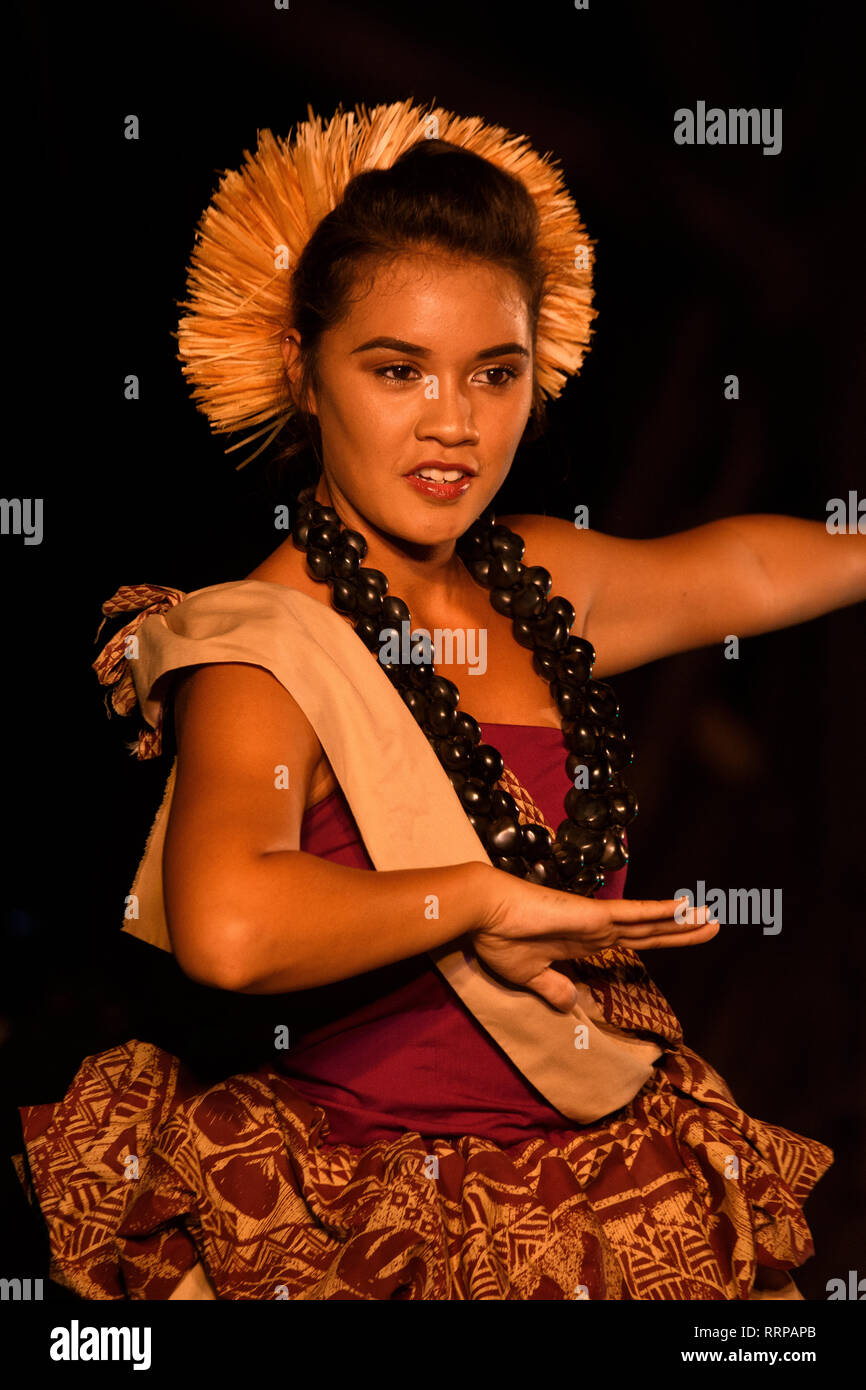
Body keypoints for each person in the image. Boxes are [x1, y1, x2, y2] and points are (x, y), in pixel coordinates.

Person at [13, 100, 857, 1302]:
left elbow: (752, 568)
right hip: (351, 1202)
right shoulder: (259, 641)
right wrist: (476, 899)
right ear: (306, 374)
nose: (452, 423)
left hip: (599, 1181)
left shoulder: (539, 583)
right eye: (396, 370)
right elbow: (229, 926)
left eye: (493, 374)